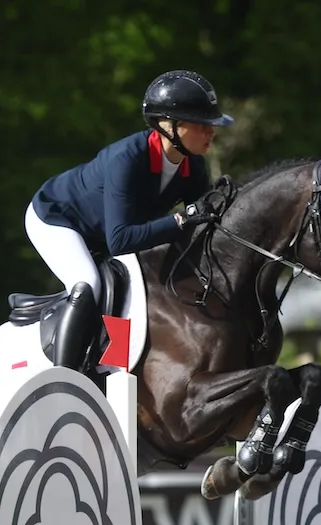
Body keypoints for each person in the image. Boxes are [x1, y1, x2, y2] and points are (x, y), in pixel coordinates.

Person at [25, 69, 235, 368]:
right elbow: (122, 240)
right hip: (58, 218)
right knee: (88, 284)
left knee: (134, 288)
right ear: (169, 126)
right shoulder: (128, 160)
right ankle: (65, 378)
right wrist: (180, 221)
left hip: (108, 231)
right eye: (202, 124)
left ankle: (117, 367)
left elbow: (197, 232)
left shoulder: (194, 168)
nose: (211, 131)